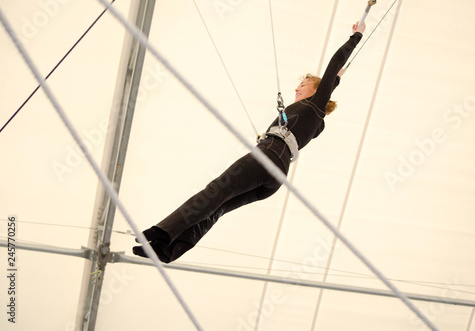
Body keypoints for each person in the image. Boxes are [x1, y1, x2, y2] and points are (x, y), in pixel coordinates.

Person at [133, 22, 366, 263]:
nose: (296, 89)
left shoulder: (315, 106)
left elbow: (334, 65)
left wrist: (356, 36)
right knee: (220, 206)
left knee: (217, 190)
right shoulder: (316, 121)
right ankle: (167, 250)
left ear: (317, 89)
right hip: (276, 177)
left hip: (269, 156)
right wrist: (336, 80)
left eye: (302, 85)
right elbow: (332, 80)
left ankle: (163, 232)